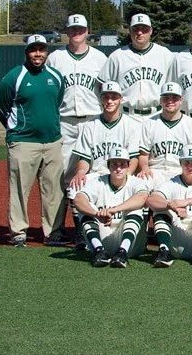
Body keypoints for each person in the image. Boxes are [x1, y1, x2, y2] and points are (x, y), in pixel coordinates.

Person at [0, 34, 68, 247]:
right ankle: (18, 233)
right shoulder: (14, 77)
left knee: (54, 190)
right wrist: (16, 129)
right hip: (23, 142)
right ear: (26, 52)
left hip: (52, 141)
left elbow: (58, 101)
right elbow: (1, 107)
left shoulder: (55, 76)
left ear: (47, 52)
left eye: (41, 49)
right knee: (19, 189)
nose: (38, 54)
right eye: (33, 50)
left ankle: (53, 233)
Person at [46, 14, 107, 233]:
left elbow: (105, 92)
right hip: (65, 122)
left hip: (92, 121)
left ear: (87, 31)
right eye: (73, 29)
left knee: (96, 173)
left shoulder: (99, 58)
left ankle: (91, 227)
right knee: (62, 176)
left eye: (80, 29)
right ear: (67, 31)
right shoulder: (55, 58)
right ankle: (57, 228)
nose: (77, 33)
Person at [68, 82, 141, 243]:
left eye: (114, 97)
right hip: (98, 174)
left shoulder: (131, 125)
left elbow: (134, 158)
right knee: (75, 187)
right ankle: (81, 233)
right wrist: (81, 172)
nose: (109, 101)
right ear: (101, 99)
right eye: (106, 97)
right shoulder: (90, 126)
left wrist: (126, 176)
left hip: (121, 174)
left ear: (121, 100)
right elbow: (85, 158)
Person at [73, 147, 149, 267]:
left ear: (128, 166)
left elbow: (142, 198)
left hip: (132, 245)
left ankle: (122, 252)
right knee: (86, 210)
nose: (118, 169)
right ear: (108, 166)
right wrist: (96, 214)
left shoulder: (135, 182)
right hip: (103, 238)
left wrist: (113, 210)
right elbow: (78, 200)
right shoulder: (98, 182)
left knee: (136, 209)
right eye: (114, 164)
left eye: (122, 164)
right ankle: (99, 250)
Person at [98, 14, 173, 123]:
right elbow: (101, 86)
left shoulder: (165, 55)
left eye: (144, 29)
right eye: (136, 29)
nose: (139, 32)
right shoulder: (117, 56)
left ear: (151, 30)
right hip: (127, 117)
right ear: (130, 31)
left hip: (157, 116)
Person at [137, 82, 192, 191]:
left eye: (174, 98)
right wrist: (144, 167)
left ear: (181, 100)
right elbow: (143, 155)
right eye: (166, 98)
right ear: (160, 100)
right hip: (155, 171)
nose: (170, 101)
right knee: (140, 184)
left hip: (181, 171)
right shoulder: (149, 124)